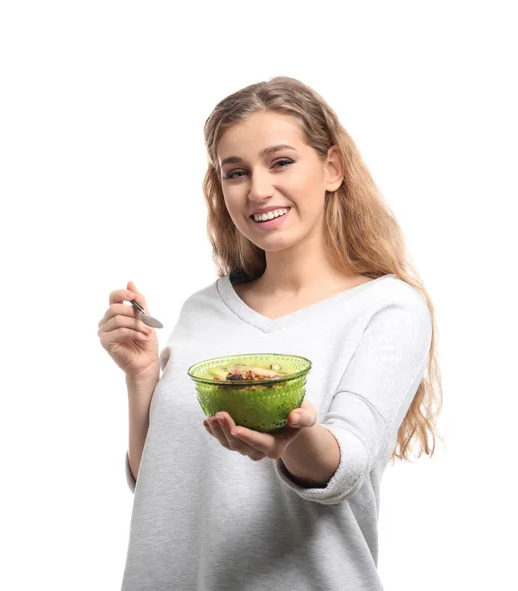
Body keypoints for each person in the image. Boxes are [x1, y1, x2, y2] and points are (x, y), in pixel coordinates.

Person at [97, 76, 443, 591]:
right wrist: (142, 375)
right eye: (236, 172)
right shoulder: (201, 310)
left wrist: (291, 442)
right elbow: (163, 484)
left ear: (332, 168)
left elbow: (343, 463)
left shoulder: (388, 308)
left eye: (280, 162)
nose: (258, 189)